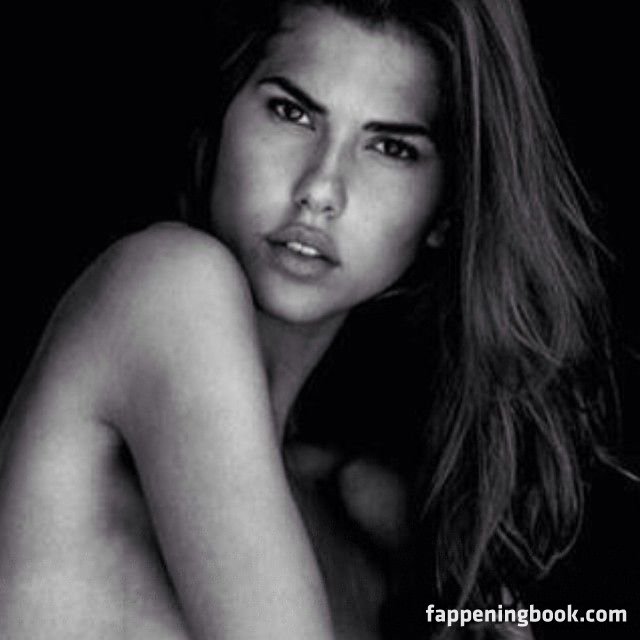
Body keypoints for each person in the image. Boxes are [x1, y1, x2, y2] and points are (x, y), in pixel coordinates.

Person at [0, 0, 626, 638]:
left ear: (445, 213)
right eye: (291, 112)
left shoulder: (364, 518)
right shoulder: (162, 287)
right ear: (222, 118)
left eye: (391, 147)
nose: (321, 190)